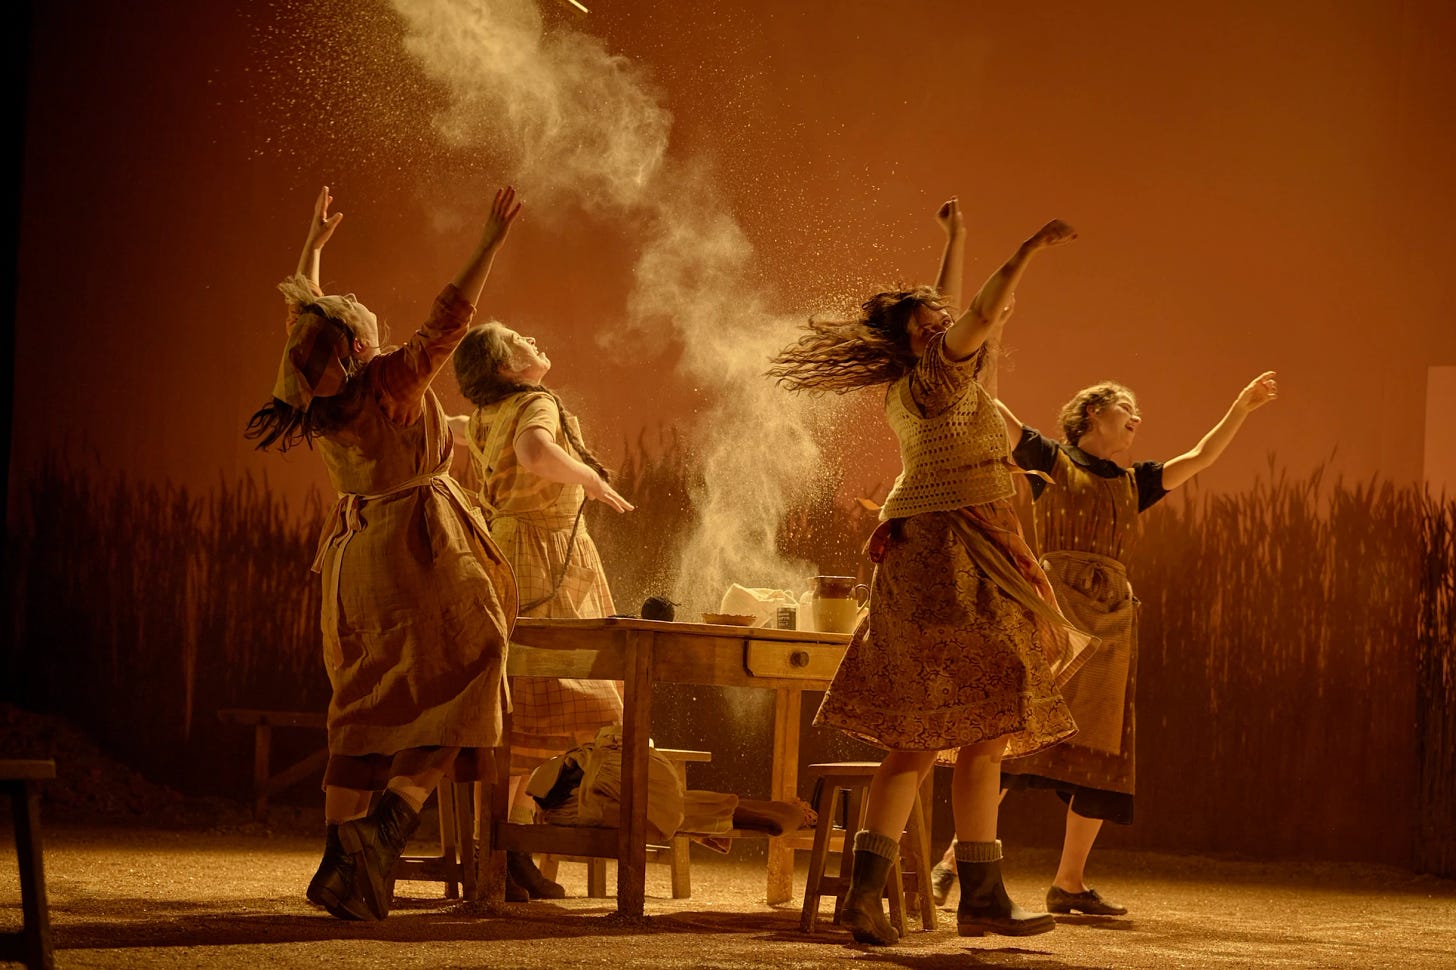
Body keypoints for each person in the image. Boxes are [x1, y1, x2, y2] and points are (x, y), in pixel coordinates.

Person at [768, 199, 1088, 943]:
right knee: (982, 709)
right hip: (951, 556)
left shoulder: (930, 381)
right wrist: (1029, 247)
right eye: (929, 321)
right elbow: (974, 311)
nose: (945, 323)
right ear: (914, 340)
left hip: (938, 548)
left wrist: (957, 237)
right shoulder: (938, 377)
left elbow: (953, 310)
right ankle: (966, 891)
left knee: (942, 731)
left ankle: (923, 893)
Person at [245, 184, 522, 921]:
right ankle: (390, 825)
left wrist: (313, 243)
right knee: (477, 660)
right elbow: (447, 321)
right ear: (357, 346)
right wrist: (490, 239)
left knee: (364, 706)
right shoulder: (387, 381)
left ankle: (343, 870)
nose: (354, 301)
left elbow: (301, 314)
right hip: (415, 545)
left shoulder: (319, 396)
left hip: (353, 557)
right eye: (350, 312)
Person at [928, 371, 1280, 916]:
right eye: (1125, 407)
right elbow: (1004, 418)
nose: (1137, 417)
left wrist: (1242, 405)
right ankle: (954, 863)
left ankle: (1068, 883)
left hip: (1112, 620)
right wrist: (962, 368)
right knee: (1015, 738)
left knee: (1101, 749)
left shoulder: (1135, 481)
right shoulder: (1051, 458)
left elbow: (1202, 456)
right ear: (1093, 413)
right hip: (1055, 613)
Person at [450, 320, 633, 899]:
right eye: (519, 339)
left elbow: (451, 429)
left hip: (512, 549)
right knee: (576, 704)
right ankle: (507, 848)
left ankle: (504, 849)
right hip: (539, 559)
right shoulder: (534, 403)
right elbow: (534, 453)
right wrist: (590, 478)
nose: (534, 336)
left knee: (519, 714)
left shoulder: (487, 413)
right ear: (508, 368)